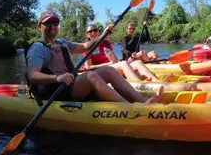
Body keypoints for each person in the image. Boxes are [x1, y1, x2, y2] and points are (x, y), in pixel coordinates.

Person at [26, 10, 163, 104]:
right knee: (90, 75)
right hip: (57, 89)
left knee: (110, 71)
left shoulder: (62, 43)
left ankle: (142, 101)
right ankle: (130, 107)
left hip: (70, 84)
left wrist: (103, 35)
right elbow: (33, 76)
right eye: (48, 23)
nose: (53, 26)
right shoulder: (38, 48)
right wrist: (57, 78)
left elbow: (85, 46)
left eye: (55, 23)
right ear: (39, 26)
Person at [83, 24, 160, 81]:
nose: (93, 33)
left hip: (112, 68)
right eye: (90, 31)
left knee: (138, 62)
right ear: (87, 35)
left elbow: (115, 60)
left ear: (98, 32)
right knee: (124, 63)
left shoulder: (106, 43)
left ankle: (157, 82)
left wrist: (114, 61)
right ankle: (139, 85)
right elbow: (88, 67)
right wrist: (107, 64)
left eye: (95, 30)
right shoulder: (87, 47)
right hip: (99, 71)